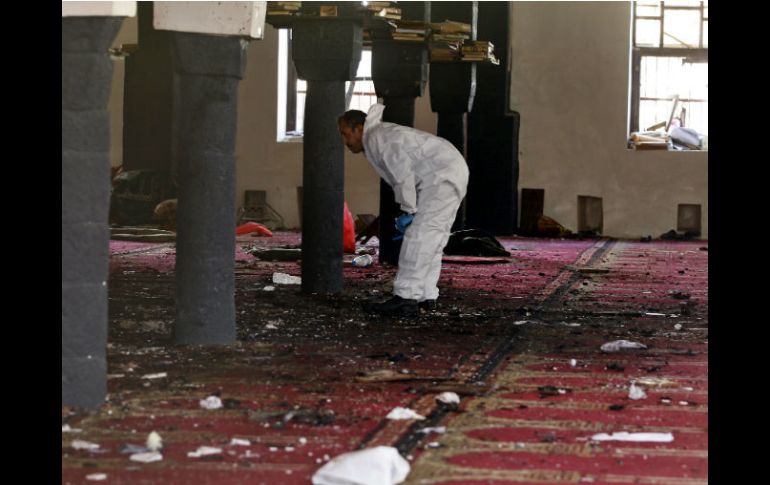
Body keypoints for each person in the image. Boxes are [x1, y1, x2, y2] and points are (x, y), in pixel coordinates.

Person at [338, 102, 469, 315]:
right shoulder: (379, 137)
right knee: (432, 238)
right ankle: (425, 296)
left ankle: (406, 297)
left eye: (345, 134)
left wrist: (409, 210)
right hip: (448, 170)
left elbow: (402, 174)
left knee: (419, 236)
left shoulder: (377, 137)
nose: (344, 141)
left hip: (441, 173)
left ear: (359, 128)